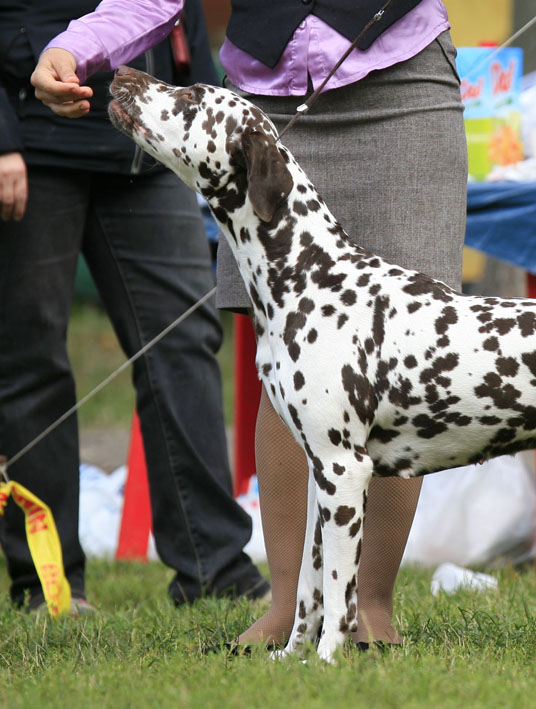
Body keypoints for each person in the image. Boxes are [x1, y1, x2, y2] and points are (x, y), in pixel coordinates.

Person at [32, 0, 467, 647]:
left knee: (393, 365)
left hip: (403, 84)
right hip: (268, 111)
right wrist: (74, 49)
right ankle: (287, 606)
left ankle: (370, 606)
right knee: (293, 365)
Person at [0, 0, 270, 611]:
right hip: (30, 145)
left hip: (146, 147)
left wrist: (195, 107)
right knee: (30, 360)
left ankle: (216, 573)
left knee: (184, 344)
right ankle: (48, 587)